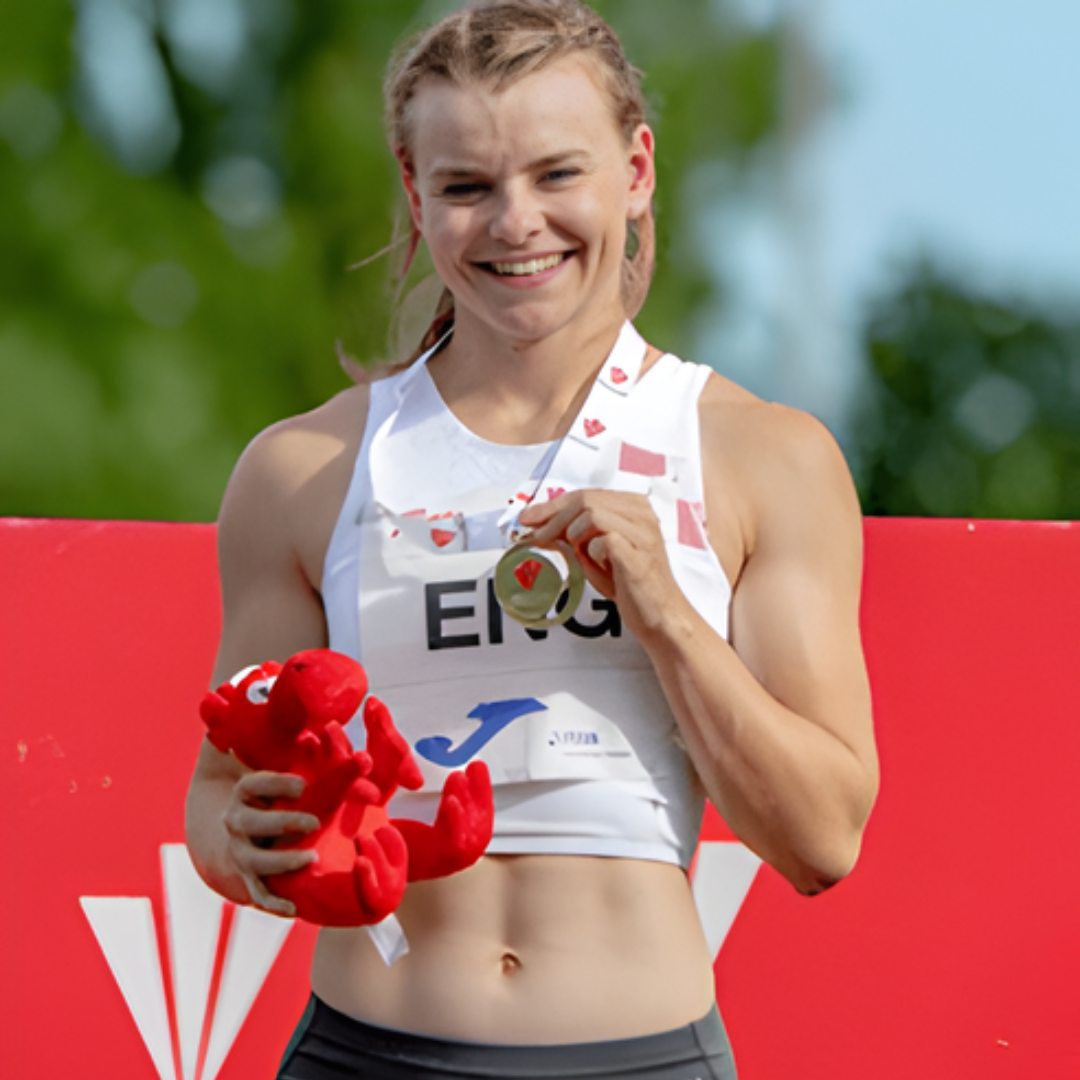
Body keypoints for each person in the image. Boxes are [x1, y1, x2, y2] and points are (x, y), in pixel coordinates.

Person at [185, 2, 879, 1077]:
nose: (516, 223)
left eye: (559, 175)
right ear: (416, 194)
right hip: (364, 1051)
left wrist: (665, 616)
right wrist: (242, 848)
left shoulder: (762, 456)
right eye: (467, 187)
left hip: (643, 1054)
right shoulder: (300, 471)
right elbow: (221, 794)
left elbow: (823, 837)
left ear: (637, 170)